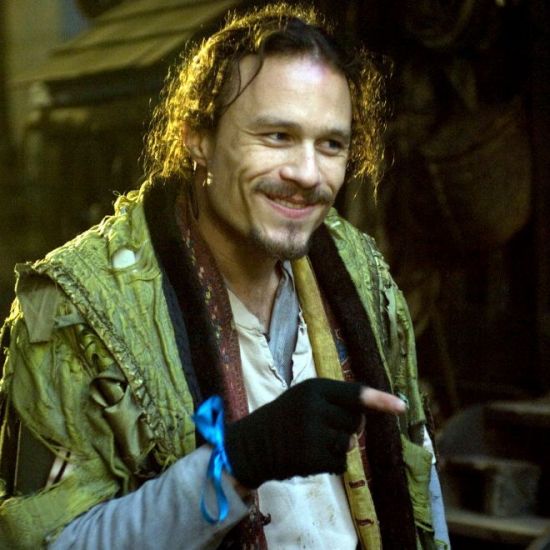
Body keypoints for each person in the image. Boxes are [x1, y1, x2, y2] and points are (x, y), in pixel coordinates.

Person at [0, 3, 449, 549]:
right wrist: (239, 461)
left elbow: (420, 478)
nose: (308, 174)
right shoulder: (77, 310)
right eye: (277, 136)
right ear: (198, 138)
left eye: (331, 144)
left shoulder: (359, 269)